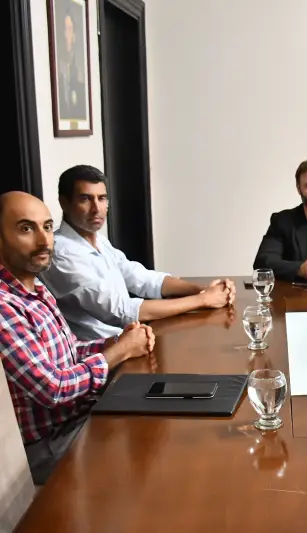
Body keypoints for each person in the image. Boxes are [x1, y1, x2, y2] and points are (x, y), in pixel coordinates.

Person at [0, 192, 154, 485]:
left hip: (79, 416)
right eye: (26, 228)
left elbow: (71, 350)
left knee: (162, 416)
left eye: (47, 227)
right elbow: (53, 388)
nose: (44, 240)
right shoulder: (4, 306)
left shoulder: (36, 290)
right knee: (152, 449)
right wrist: (118, 352)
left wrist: (114, 343)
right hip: (49, 445)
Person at [39, 165, 235, 341]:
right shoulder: (60, 252)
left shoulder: (98, 241)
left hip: (130, 341)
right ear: (64, 203)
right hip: (102, 355)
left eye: (102, 198)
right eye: (85, 199)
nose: (96, 208)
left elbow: (142, 278)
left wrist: (203, 290)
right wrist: (203, 300)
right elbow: (121, 311)